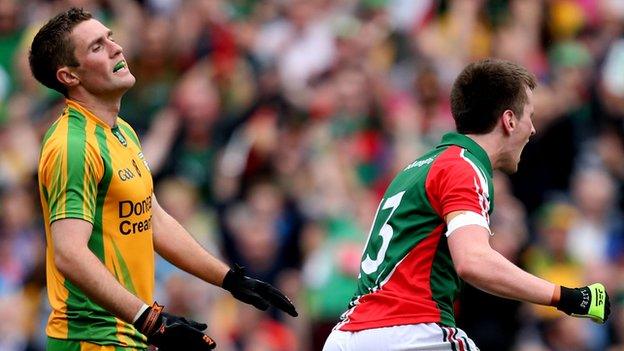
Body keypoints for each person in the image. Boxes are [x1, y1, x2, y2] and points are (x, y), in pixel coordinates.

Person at [29, 8, 297, 351]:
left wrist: (228, 278)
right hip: (90, 339)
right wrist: (149, 318)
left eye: (110, 37)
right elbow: (68, 253)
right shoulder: (73, 144)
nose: (116, 48)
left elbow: (153, 219)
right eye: (97, 47)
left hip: (128, 336)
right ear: (69, 76)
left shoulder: (121, 131)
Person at [323, 58, 610, 350]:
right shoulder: (463, 167)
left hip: (347, 337)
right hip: (409, 331)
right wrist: (568, 297)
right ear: (509, 120)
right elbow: (473, 261)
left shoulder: (415, 169)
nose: (533, 129)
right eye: (530, 117)